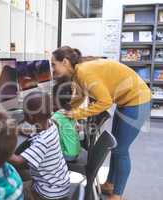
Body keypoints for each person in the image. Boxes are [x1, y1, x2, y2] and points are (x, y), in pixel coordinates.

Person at [51, 46, 151, 200]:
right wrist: (69, 110)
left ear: (64, 62)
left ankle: (117, 195)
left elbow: (105, 102)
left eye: (53, 64)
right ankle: (110, 184)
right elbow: (80, 96)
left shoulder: (84, 72)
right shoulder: (78, 73)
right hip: (126, 101)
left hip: (137, 100)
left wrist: (77, 114)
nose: (52, 69)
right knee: (116, 146)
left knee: (121, 151)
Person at [9, 91, 70, 200]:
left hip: (48, 193)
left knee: (9, 192)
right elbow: (33, 131)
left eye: (24, 112)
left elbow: (18, 161)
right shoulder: (51, 125)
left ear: (31, 117)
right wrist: (18, 130)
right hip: (59, 184)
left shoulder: (42, 142)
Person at [52, 76, 81, 162]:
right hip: (76, 152)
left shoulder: (56, 117)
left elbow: (42, 130)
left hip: (67, 155)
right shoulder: (72, 111)